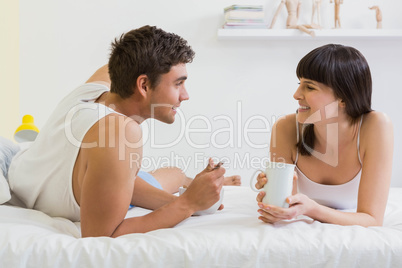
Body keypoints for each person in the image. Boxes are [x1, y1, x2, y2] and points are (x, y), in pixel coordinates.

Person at [8, 25, 239, 238]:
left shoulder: (96, 88)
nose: (185, 95)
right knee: (166, 178)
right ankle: (195, 195)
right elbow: (101, 236)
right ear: (144, 86)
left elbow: (122, 62)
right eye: (178, 84)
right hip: (31, 179)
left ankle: (199, 190)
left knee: (175, 174)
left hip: (36, 168)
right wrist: (186, 205)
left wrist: (195, 201)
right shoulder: (119, 132)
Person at [254, 44, 393, 227]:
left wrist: (312, 209)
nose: (296, 95)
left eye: (309, 87)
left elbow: (372, 219)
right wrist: (273, 199)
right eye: (299, 84)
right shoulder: (285, 128)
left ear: (343, 98)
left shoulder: (376, 126)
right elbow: (287, 204)